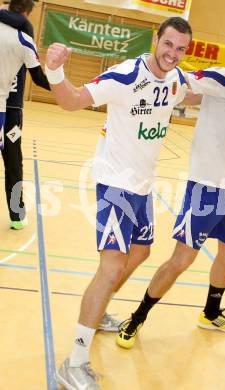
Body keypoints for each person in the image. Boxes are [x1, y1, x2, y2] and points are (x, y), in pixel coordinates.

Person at [116, 38, 225, 350]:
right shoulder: (224, 79)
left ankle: (211, 313)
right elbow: (181, 82)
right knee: (181, 259)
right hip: (205, 189)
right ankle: (138, 315)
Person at [45, 17, 192, 389]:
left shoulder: (176, 80)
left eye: (180, 48)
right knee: (110, 267)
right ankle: (74, 363)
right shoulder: (125, 76)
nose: (172, 53)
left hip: (142, 188)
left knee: (140, 253)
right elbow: (72, 100)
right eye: (168, 44)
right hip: (114, 185)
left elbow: (197, 90)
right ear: (155, 39)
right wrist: (55, 70)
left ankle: (99, 310)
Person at [0, 0, 50, 230]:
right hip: (10, 110)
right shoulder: (24, 37)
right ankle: (17, 215)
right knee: (13, 162)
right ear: (29, 11)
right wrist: (64, 90)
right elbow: (39, 78)